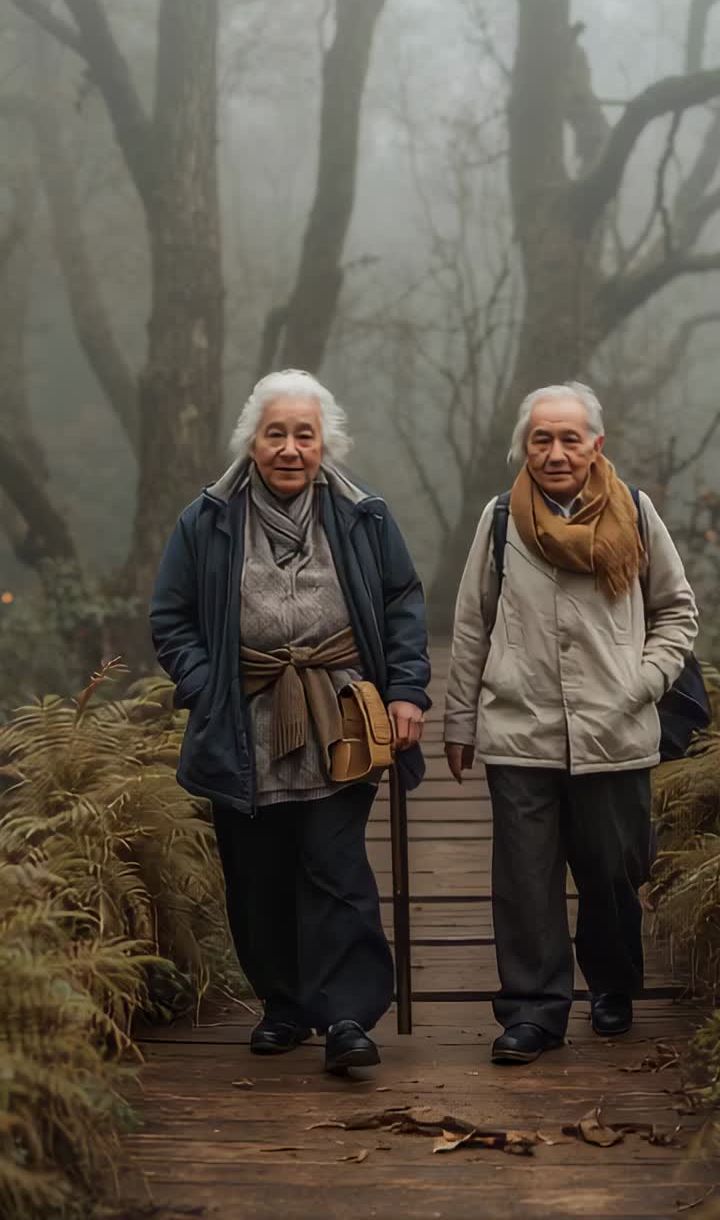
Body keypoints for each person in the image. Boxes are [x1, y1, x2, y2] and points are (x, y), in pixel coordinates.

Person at [150, 369, 430, 1074]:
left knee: (335, 868)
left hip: (342, 712)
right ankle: (281, 1007)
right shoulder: (208, 520)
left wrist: (405, 692)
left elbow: (402, 602)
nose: (290, 448)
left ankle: (345, 1018)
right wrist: (208, 685)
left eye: (304, 435)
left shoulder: (363, 515)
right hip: (243, 719)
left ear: (323, 444)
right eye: (275, 433)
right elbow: (171, 617)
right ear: (252, 440)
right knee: (258, 872)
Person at [444, 382, 697, 1065]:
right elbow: (473, 624)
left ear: (595, 445)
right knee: (524, 880)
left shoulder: (636, 514)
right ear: (525, 445)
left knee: (613, 874)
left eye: (569, 439)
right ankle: (534, 1010)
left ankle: (613, 984)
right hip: (518, 730)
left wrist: (641, 684)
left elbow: (677, 613)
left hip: (615, 733)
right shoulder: (500, 520)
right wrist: (459, 723)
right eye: (541, 439)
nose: (555, 453)